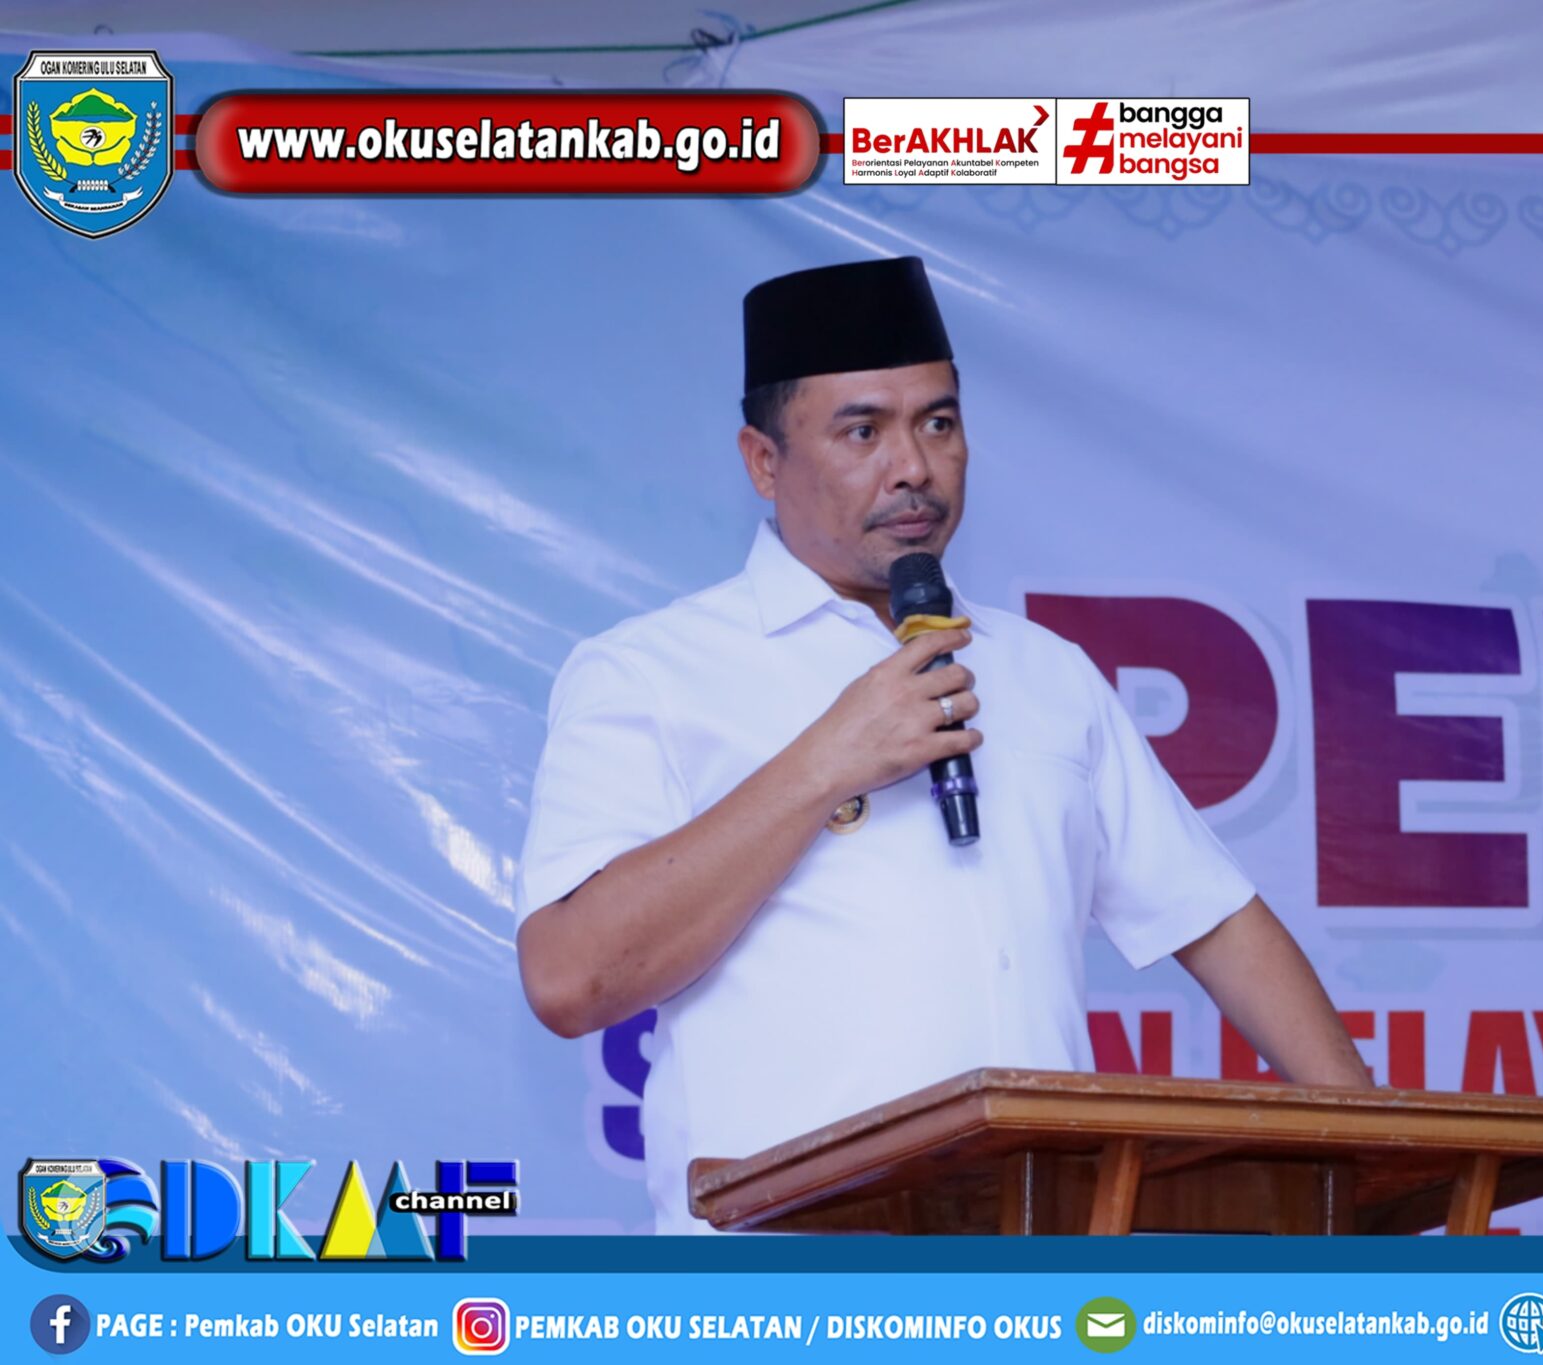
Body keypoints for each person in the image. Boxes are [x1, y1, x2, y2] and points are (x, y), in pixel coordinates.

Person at [514, 256, 1372, 1232]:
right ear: (762, 462)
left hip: (1033, 1266)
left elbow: (1214, 920)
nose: (913, 468)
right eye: (862, 431)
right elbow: (570, 977)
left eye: (938, 422)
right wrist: (828, 761)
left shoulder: (1045, 672)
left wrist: (1382, 1143)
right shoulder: (649, 671)